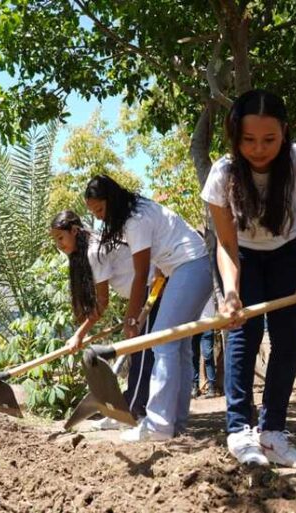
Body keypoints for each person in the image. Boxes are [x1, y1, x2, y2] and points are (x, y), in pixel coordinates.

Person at [201, 89, 296, 468]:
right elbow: (225, 243)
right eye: (249, 140)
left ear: (284, 133)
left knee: (288, 340)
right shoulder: (222, 173)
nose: (259, 149)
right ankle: (240, 430)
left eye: (269, 139)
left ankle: (273, 432)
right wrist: (231, 294)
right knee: (243, 335)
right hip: (242, 256)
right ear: (234, 136)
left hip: (287, 254)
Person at [84, 175, 212, 442]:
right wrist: (157, 277)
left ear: (112, 200)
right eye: (94, 213)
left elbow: (139, 275)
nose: (99, 218)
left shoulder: (135, 221)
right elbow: (153, 264)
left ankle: (158, 425)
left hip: (189, 265)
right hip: (191, 266)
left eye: (99, 210)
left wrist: (132, 319)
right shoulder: (139, 207)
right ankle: (175, 423)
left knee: (162, 342)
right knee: (179, 345)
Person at [49, 210, 156, 427]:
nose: (59, 244)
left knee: (142, 351)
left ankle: (134, 412)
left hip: (153, 289)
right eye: (55, 240)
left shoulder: (93, 251)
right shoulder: (89, 247)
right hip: (141, 293)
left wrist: (79, 335)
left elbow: (102, 303)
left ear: (75, 230)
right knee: (139, 352)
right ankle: (128, 409)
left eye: (61, 238)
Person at [191, 296, 217, 399]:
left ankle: (211, 386)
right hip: (193, 324)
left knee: (208, 355)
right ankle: (194, 386)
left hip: (207, 323)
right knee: (193, 356)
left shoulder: (210, 284)